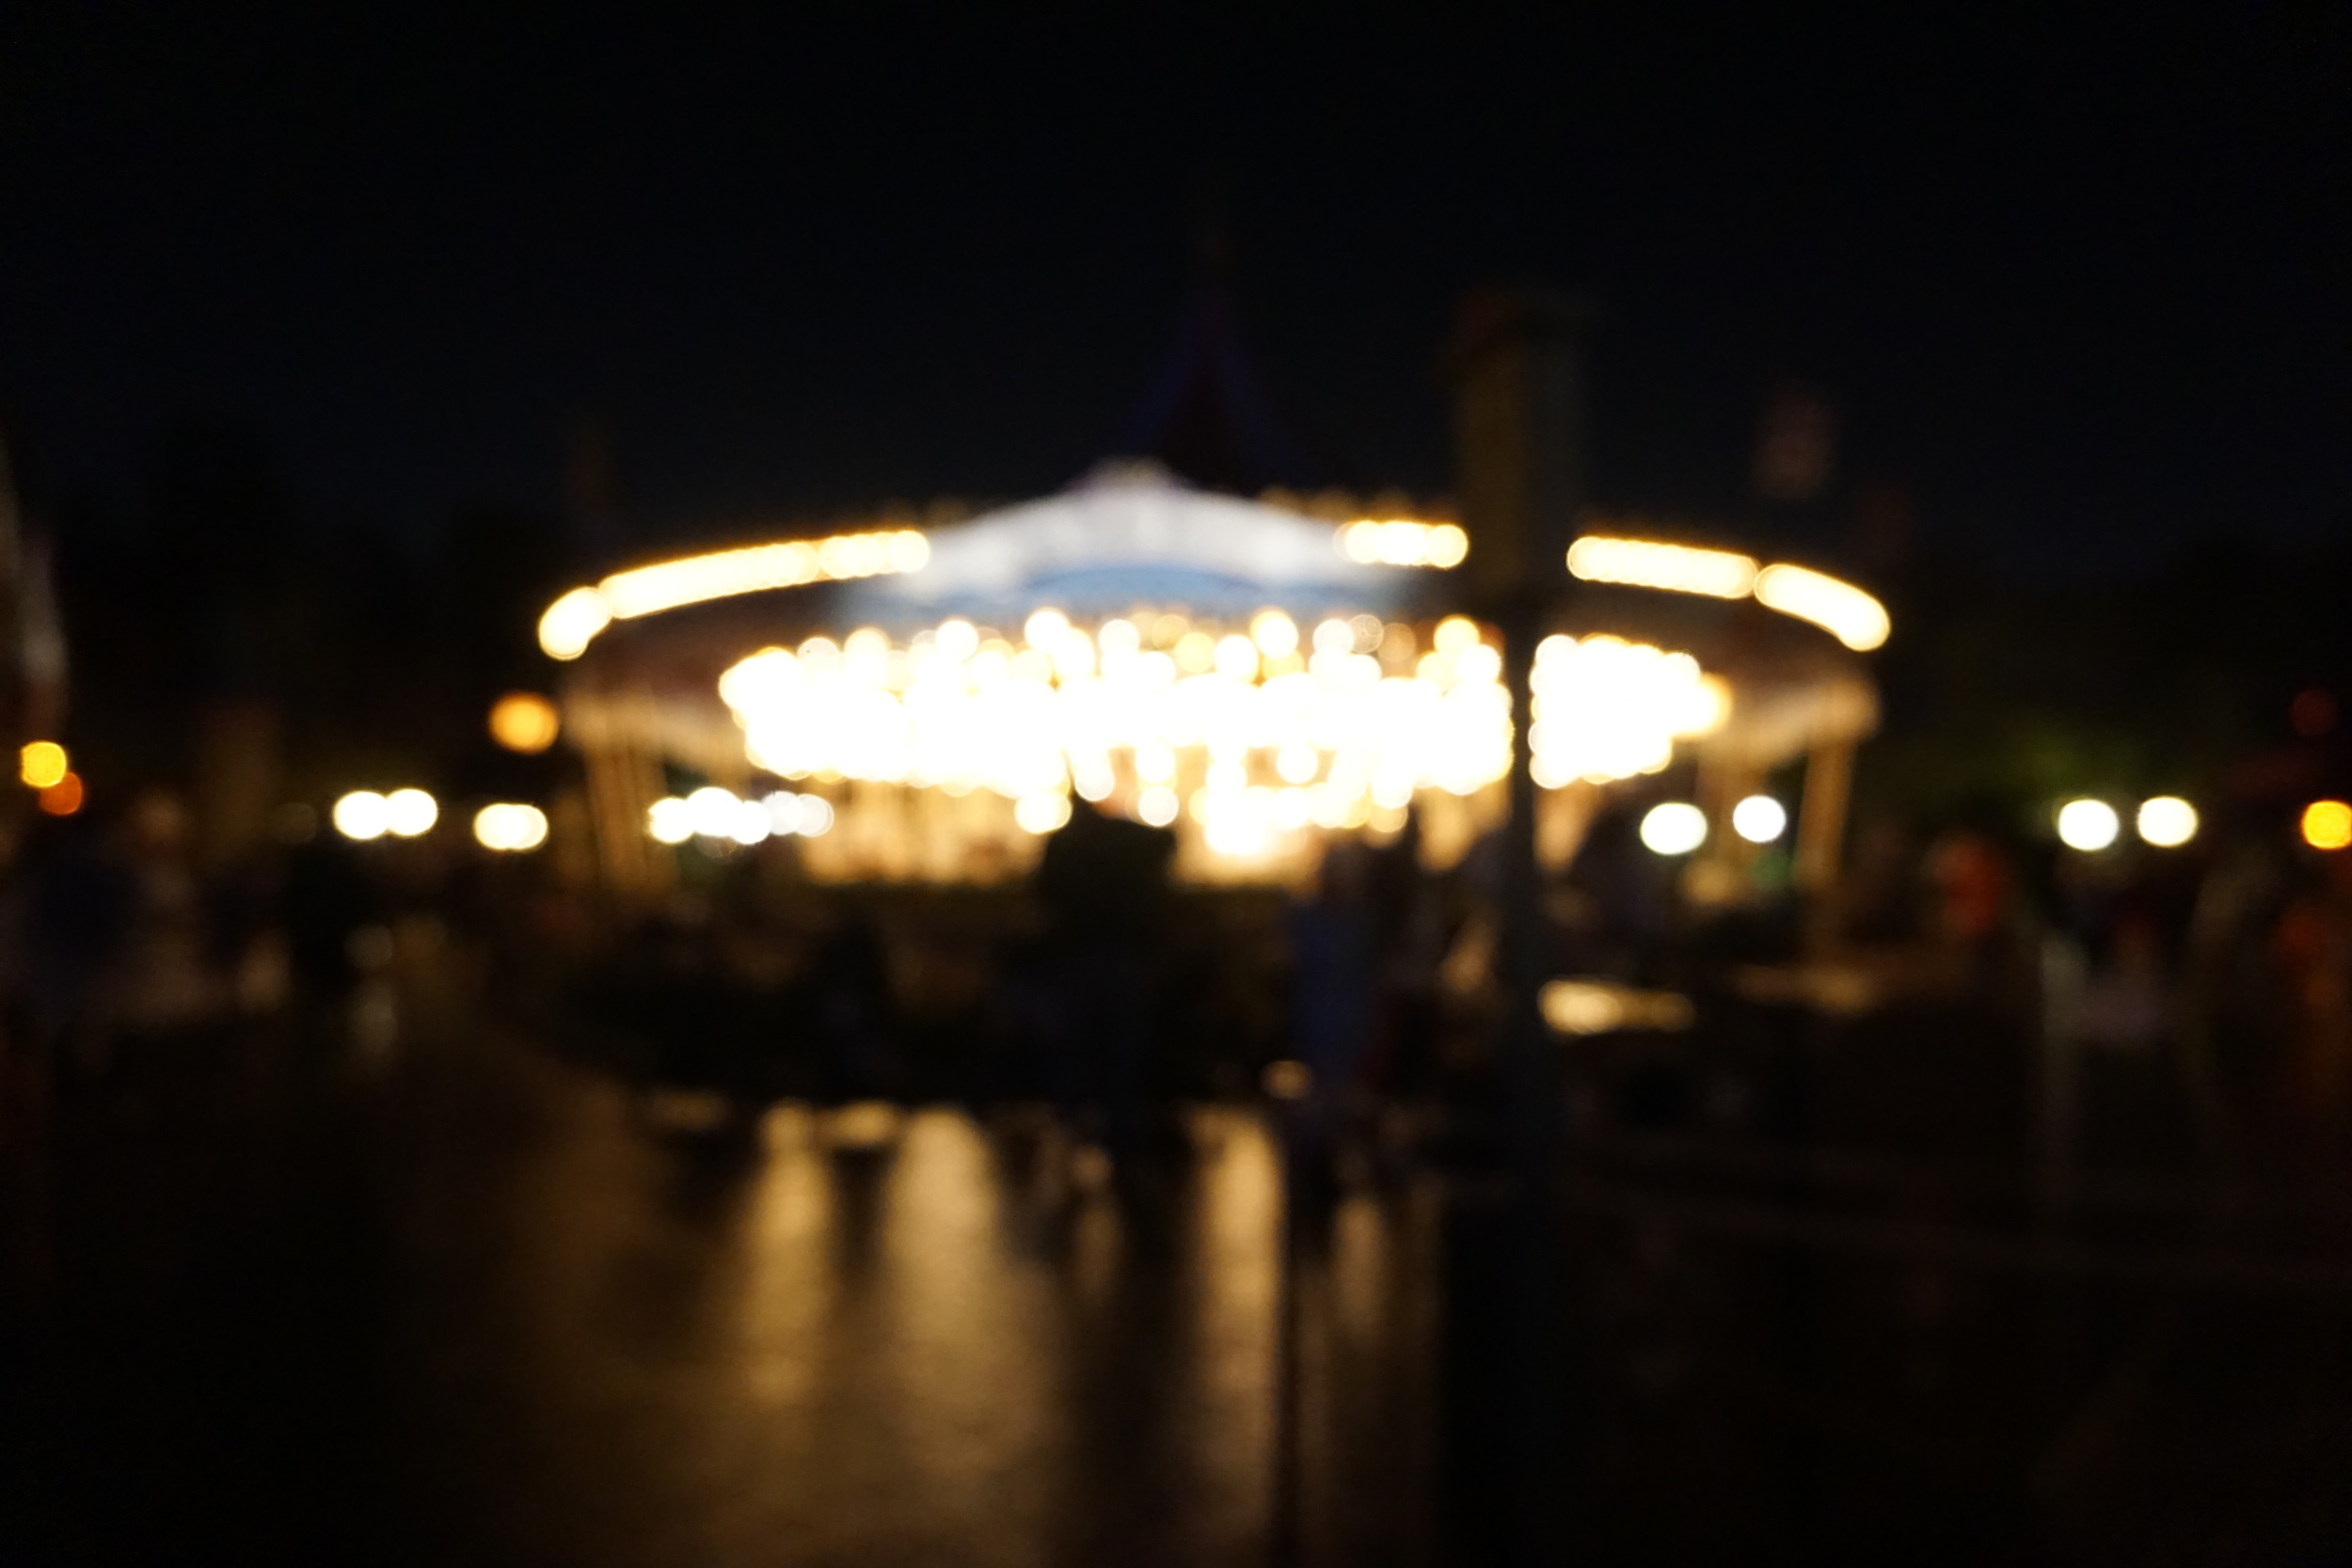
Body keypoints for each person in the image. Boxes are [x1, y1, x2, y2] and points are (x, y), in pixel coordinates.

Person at [1034, 800, 1176, 1177]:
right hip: (1121, 960)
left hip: (1079, 959)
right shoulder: (1124, 839)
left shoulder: (1065, 845)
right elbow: (1168, 840)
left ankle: (1076, 1133)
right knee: (1120, 1053)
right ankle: (1120, 1141)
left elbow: (1042, 893)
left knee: (1076, 1051)